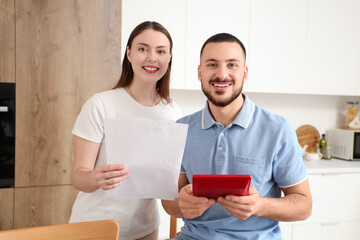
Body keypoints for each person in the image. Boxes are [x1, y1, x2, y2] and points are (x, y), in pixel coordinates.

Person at [162, 33, 312, 240]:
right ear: (199, 72)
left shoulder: (278, 129)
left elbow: (304, 206)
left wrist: (259, 205)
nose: (222, 74)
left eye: (232, 65)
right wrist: (181, 204)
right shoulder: (181, 128)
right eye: (212, 64)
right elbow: (169, 203)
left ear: (245, 72)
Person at [69, 21, 181, 240]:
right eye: (142, 49)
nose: (152, 58)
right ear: (129, 53)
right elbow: (78, 176)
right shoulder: (100, 104)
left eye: (161, 51)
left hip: (145, 229)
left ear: (169, 58)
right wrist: (96, 178)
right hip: (95, 228)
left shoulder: (172, 112)